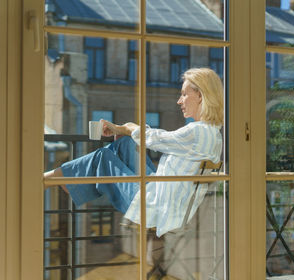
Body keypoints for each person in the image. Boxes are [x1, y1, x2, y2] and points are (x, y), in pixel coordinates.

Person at [44, 68, 223, 237]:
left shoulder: (198, 132)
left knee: (104, 157)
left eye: (184, 94)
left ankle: (53, 179)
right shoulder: (212, 133)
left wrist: (128, 127)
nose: (179, 101)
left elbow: (157, 139)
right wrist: (123, 131)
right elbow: (159, 138)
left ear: (200, 95)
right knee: (126, 143)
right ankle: (70, 181)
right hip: (165, 200)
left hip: (156, 210)